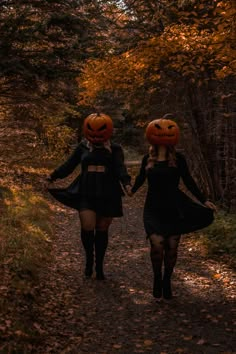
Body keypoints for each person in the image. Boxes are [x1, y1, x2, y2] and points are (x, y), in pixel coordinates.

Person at [130, 115, 217, 300]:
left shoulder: (179, 158)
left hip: (174, 207)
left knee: (171, 248)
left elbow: (189, 181)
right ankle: (157, 278)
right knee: (156, 245)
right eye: (158, 131)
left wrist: (204, 200)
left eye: (167, 131)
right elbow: (140, 179)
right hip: (153, 207)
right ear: (151, 135)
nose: (163, 135)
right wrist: (131, 190)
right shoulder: (148, 159)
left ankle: (167, 280)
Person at [47, 113, 132, 280]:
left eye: (100, 130)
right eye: (91, 130)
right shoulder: (82, 147)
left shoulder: (115, 149)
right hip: (86, 190)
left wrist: (127, 183)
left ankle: (99, 266)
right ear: (86, 129)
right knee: (87, 225)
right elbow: (69, 165)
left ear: (109, 130)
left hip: (108, 192)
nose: (95, 135)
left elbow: (120, 168)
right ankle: (89, 259)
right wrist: (52, 176)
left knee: (102, 229)